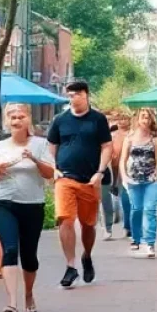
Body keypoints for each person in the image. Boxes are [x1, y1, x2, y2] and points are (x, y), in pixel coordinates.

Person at [0, 102, 55, 312]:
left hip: (32, 205)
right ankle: (11, 304)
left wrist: (34, 159)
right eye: (12, 117)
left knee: (29, 255)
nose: (16, 121)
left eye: (21, 117)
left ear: (29, 120)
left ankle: (28, 294)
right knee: (9, 249)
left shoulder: (40, 144)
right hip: (3, 203)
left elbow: (49, 173)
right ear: (7, 121)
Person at [47, 79, 112, 288]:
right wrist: (53, 169)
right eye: (70, 94)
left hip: (90, 179)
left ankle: (87, 255)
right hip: (65, 177)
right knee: (65, 219)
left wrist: (100, 172)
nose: (73, 98)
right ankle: (70, 266)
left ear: (86, 95)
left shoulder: (97, 120)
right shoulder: (60, 120)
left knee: (88, 224)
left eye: (76, 94)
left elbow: (107, 146)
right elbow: (52, 146)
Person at [120, 108, 157, 257]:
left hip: (151, 179)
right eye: (143, 117)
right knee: (137, 209)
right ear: (138, 120)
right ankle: (136, 238)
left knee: (150, 209)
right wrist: (124, 176)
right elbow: (122, 160)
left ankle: (150, 243)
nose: (145, 120)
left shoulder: (154, 139)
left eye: (148, 118)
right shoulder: (129, 138)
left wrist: (156, 174)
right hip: (133, 179)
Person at [111, 111, 133, 240]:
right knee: (122, 197)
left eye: (124, 118)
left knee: (128, 198)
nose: (121, 121)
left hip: (130, 170)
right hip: (116, 170)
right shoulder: (112, 135)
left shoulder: (132, 135)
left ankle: (129, 226)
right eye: (119, 118)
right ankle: (127, 225)